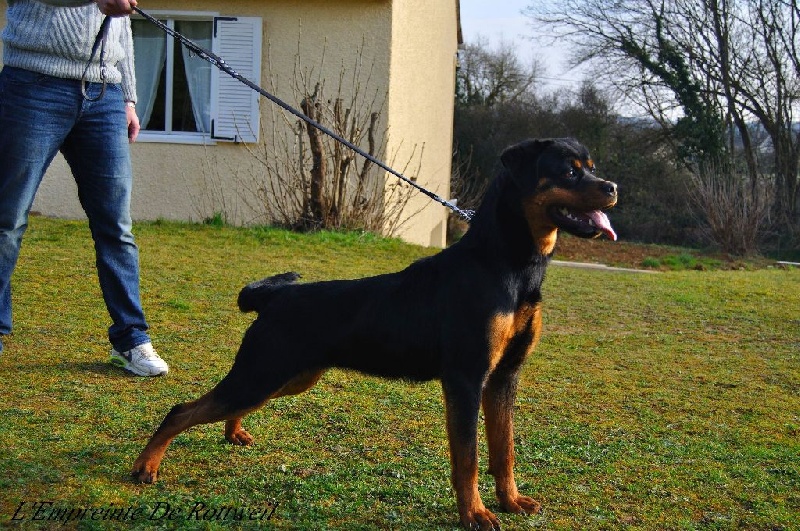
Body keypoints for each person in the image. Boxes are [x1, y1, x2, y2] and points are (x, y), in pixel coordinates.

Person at [0, 0, 168, 376]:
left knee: (116, 226)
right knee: (7, 219)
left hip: (104, 91)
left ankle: (132, 339)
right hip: (32, 84)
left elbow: (119, 26)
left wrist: (127, 96)